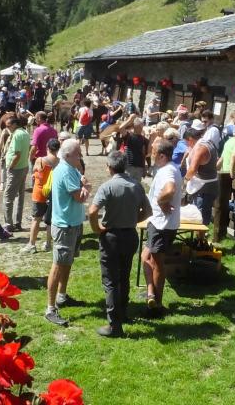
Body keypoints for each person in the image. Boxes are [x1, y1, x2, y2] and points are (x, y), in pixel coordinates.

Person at [88, 150, 148, 337]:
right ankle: (123, 313)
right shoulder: (136, 185)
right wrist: (132, 220)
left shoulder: (107, 187)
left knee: (111, 281)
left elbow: (92, 211)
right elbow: (148, 211)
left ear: (109, 167)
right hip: (130, 235)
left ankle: (114, 325)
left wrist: (97, 229)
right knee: (124, 275)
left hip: (111, 236)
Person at [45, 138, 90, 327]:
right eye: (78, 153)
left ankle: (62, 296)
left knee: (67, 262)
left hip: (72, 223)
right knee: (58, 264)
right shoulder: (66, 171)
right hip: (65, 226)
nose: (81, 155)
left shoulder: (69, 168)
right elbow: (79, 198)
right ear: (68, 155)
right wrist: (86, 186)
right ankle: (50, 308)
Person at [143, 142, 182, 317]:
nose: (151, 155)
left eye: (153, 152)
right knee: (146, 257)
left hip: (162, 225)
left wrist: (160, 201)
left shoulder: (168, 171)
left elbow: (170, 189)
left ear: (162, 156)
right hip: (158, 222)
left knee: (157, 263)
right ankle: (150, 293)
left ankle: (157, 305)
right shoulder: (168, 168)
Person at [22, 138, 60, 255]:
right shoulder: (60, 161)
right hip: (53, 194)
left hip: (39, 193)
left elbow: (34, 171)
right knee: (50, 220)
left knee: (36, 219)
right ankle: (48, 244)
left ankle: (32, 244)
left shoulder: (41, 160)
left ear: (47, 148)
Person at [184, 121, 220, 233]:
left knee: (201, 215)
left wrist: (185, 180)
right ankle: (198, 238)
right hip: (207, 184)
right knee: (200, 212)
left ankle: (200, 240)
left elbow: (193, 169)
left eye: (187, 142)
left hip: (204, 187)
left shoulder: (201, 148)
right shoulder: (208, 142)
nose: (187, 145)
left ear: (190, 139)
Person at [2, 115, 30, 232]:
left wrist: (10, 167)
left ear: (14, 125)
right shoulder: (25, 133)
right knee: (20, 196)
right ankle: (17, 222)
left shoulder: (17, 135)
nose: (7, 128)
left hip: (16, 168)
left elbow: (17, 154)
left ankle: (8, 224)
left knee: (8, 197)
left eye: (8, 126)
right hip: (23, 167)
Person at [115, 114, 147, 182]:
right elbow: (121, 128)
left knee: (136, 186)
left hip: (139, 167)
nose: (141, 128)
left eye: (142, 126)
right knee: (127, 184)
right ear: (134, 126)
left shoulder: (143, 138)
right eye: (139, 126)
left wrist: (144, 168)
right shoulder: (128, 135)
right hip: (129, 166)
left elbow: (143, 154)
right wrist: (130, 119)